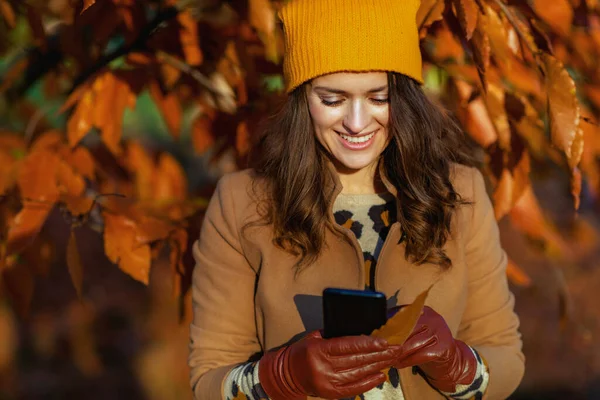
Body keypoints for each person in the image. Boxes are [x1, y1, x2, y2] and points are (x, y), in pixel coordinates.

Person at [188, 0, 525, 399]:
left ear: (403, 97)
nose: (357, 122)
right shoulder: (243, 203)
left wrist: (456, 364)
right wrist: (282, 376)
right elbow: (209, 380)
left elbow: (505, 358)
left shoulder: (460, 194)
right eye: (332, 99)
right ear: (302, 98)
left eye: (378, 98)